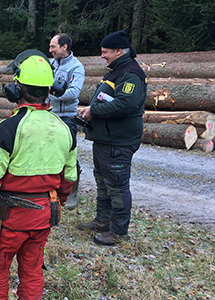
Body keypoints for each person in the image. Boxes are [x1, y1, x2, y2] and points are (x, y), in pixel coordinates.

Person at [0, 50, 78, 300]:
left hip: (9, 218)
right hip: (44, 216)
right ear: (50, 90)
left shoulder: (9, 129)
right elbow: (69, 179)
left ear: (16, 90)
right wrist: (54, 200)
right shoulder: (64, 129)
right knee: (32, 272)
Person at [78, 30, 148, 246]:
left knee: (117, 186)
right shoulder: (117, 71)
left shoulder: (130, 74)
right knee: (103, 181)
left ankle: (118, 231)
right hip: (105, 140)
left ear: (119, 51)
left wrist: (94, 111)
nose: (102, 56)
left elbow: (126, 104)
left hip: (119, 141)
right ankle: (103, 220)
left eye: (105, 52)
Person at [47, 33, 85, 210]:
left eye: (53, 46)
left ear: (64, 47)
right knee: (49, 153)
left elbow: (74, 92)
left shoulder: (76, 67)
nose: (50, 50)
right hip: (50, 115)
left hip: (67, 118)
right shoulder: (50, 64)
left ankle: (72, 194)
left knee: (69, 155)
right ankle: (50, 189)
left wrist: (49, 93)